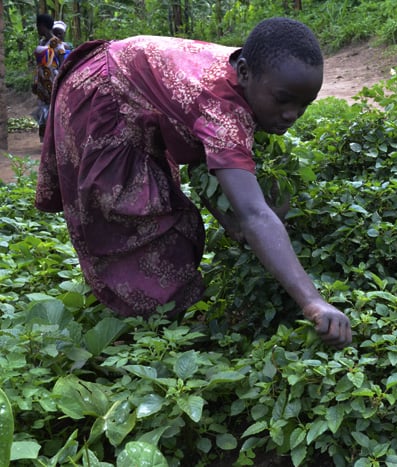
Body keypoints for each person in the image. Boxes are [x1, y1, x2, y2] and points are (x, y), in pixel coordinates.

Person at [34, 18, 352, 347]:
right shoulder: (221, 109)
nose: (292, 114)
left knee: (166, 220)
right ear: (244, 72)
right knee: (133, 222)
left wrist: (230, 221)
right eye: (283, 100)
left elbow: (208, 163)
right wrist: (313, 301)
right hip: (103, 96)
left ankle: (161, 316)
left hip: (123, 80)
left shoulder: (253, 72)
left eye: (304, 105)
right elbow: (254, 213)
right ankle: (150, 335)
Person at [31, 13, 67, 142]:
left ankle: (55, 140)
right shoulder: (42, 42)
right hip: (42, 82)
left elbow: (63, 63)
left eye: (38, 26)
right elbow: (38, 65)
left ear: (43, 26)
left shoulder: (56, 42)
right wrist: (35, 80)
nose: (37, 29)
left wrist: (61, 81)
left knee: (53, 110)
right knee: (43, 110)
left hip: (52, 81)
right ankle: (46, 141)